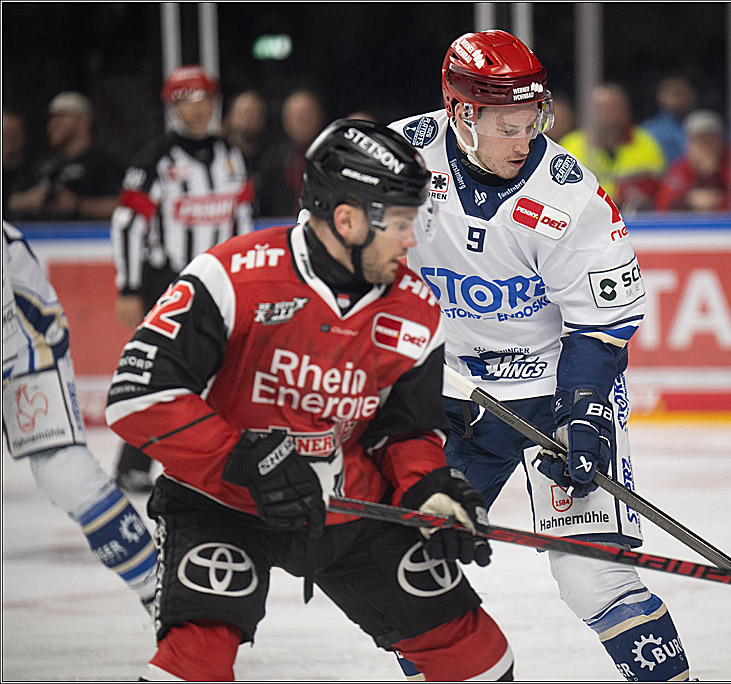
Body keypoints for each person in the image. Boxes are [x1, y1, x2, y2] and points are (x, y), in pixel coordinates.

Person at [104, 119, 514, 681]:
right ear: (347, 220)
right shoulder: (230, 276)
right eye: (400, 223)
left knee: (477, 654)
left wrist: (428, 488)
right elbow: (138, 394)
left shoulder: (415, 308)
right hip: (223, 503)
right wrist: (241, 459)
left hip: (350, 505)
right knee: (196, 660)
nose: (411, 240)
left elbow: (406, 429)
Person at [389, 30, 692, 681]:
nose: (525, 140)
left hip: (554, 390)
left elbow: (603, 323)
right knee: (411, 568)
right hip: (453, 393)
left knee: (593, 575)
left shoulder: (569, 195)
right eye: (508, 126)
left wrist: (585, 412)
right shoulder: (401, 159)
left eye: (534, 121)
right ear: (461, 114)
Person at [109, 65, 255, 494]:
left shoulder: (232, 155)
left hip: (224, 281)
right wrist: (128, 287)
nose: (197, 109)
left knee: (233, 371)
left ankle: (221, 463)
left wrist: (250, 275)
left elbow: (243, 219)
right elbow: (127, 225)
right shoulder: (155, 159)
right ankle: (133, 464)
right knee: (163, 373)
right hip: (170, 281)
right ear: (173, 107)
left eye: (204, 99)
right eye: (186, 101)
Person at [2, 221, 158, 617]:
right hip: (20, 312)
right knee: (62, 468)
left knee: (62, 467)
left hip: (24, 328)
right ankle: (161, 591)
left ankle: (160, 591)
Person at [6, 92, 123, 221]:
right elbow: (11, 197)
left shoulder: (104, 164)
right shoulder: (42, 164)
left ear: (83, 122)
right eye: (51, 119)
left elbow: (122, 206)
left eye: (60, 117)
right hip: (36, 232)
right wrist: (24, 201)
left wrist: (78, 205)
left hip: (82, 233)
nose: (52, 125)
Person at [559, 82, 666, 213]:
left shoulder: (646, 143)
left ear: (626, 111)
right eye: (601, 110)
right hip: (584, 218)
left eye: (614, 109)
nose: (608, 117)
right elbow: (561, 192)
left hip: (635, 218)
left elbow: (658, 188)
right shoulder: (570, 145)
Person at [654, 110, 731, 212]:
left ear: (720, 141)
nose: (706, 146)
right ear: (689, 143)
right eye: (700, 140)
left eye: (710, 139)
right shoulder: (679, 169)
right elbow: (663, 207)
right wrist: (689, 201)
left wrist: (713, 177)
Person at [257, 89, 326, 218]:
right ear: (285, 120)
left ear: (320, 117)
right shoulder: (273, 159)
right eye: (298, 116)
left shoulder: (332, 157)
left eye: (308, 114)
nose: (303, 121)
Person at [641, 74, 699, 165]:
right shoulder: (647, 131)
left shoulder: (709, 126)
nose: (679, 98)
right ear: (660, 97)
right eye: (674, 93)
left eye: (682, 92)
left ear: (692, 95)